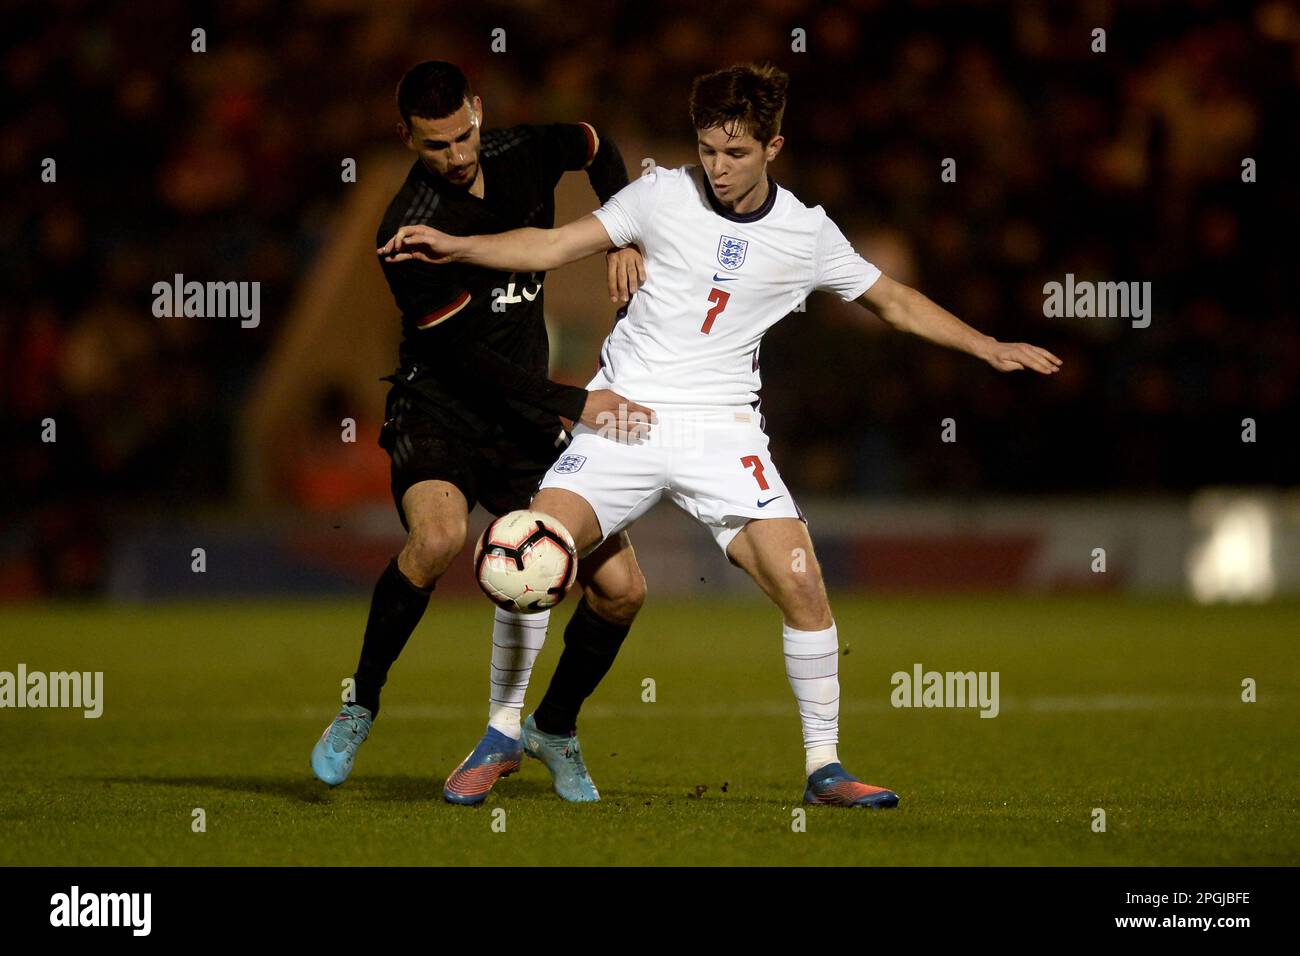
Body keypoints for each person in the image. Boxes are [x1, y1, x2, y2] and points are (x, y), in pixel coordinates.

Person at [380, 62, 1062, 807]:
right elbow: (550, 246)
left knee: (801, 581)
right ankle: (501, 735)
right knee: (529, 546)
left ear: (773, 146)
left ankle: (825, 770)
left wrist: (987, 345)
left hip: (722, 430)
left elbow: (893, 302)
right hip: (626, 414)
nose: (718, 167)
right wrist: (458, 247)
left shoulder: (806, 232)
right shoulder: (662, 195)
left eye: (735, 153)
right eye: (708, 149)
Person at [313, 60, 653, 805]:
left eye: (465, 133)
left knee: (623, 589)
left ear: (478, 108)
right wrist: (575, 403)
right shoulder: (406, 228)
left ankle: (553, 727)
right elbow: (468, 364)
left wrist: (622, 232)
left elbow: (596, 146)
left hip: (524, 415)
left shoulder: (524, 150)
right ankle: (360, 705)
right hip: (442, 406)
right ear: (406, 137)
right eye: (437, 146)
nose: (459, 154)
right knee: (435, 541)